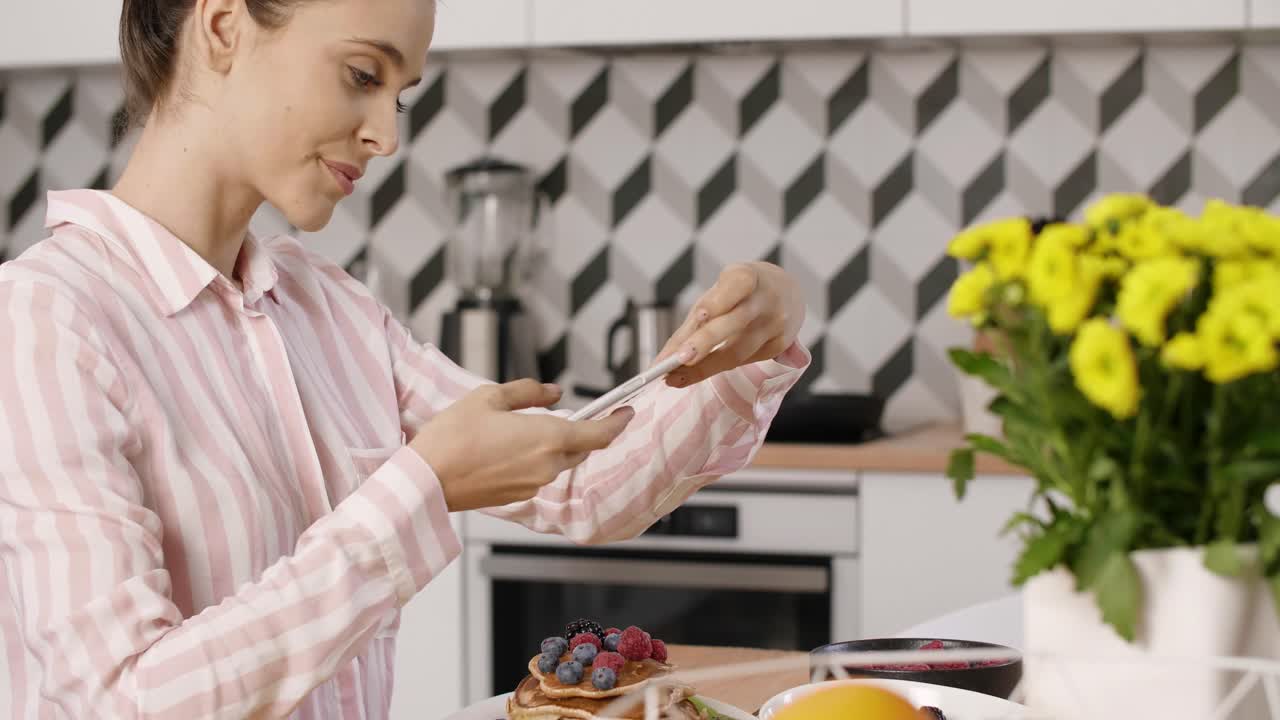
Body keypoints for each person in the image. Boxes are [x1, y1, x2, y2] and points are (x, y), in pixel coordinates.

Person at [0, 1, 810, 718]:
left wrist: (752, 341)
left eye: (399, 92)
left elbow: (581, 484)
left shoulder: (323, 307)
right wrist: (418, 492)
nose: (387, 135)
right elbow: (126, 700)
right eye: (361, 74)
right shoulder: (48, 319)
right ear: (222, 26)